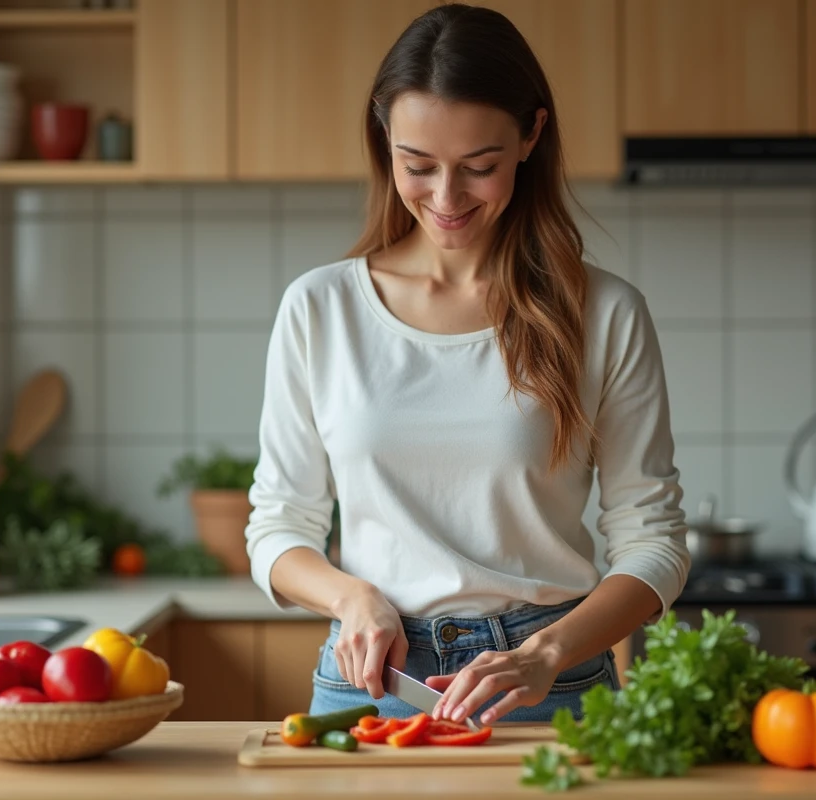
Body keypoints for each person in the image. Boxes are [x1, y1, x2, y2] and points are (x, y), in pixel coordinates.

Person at [245, 3, 689, 727]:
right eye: (418, 166)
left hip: (550, 685)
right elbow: (278, 528)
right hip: (372, 682)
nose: (446, 200)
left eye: (479, 168)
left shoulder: (604, 313)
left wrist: (548, 653)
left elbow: (654, 541)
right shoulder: (320, 308)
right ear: (384, 137)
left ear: (531, 136)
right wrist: (351, 597)